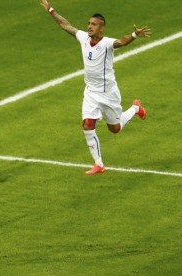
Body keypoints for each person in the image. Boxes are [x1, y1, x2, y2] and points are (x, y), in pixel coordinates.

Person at [40, 0, 151, 174]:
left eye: (94, 24)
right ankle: (99, 164)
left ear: (102, 28)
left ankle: (136, 108)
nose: (90, 27)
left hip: (108, 94)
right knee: (87, 124)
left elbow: (121, 42)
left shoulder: (106, 43)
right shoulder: (84, 38)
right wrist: (51, 10)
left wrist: (134, 35)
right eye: (89, 24)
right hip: (91, 93)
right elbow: (65, 25)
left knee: (115, 129)